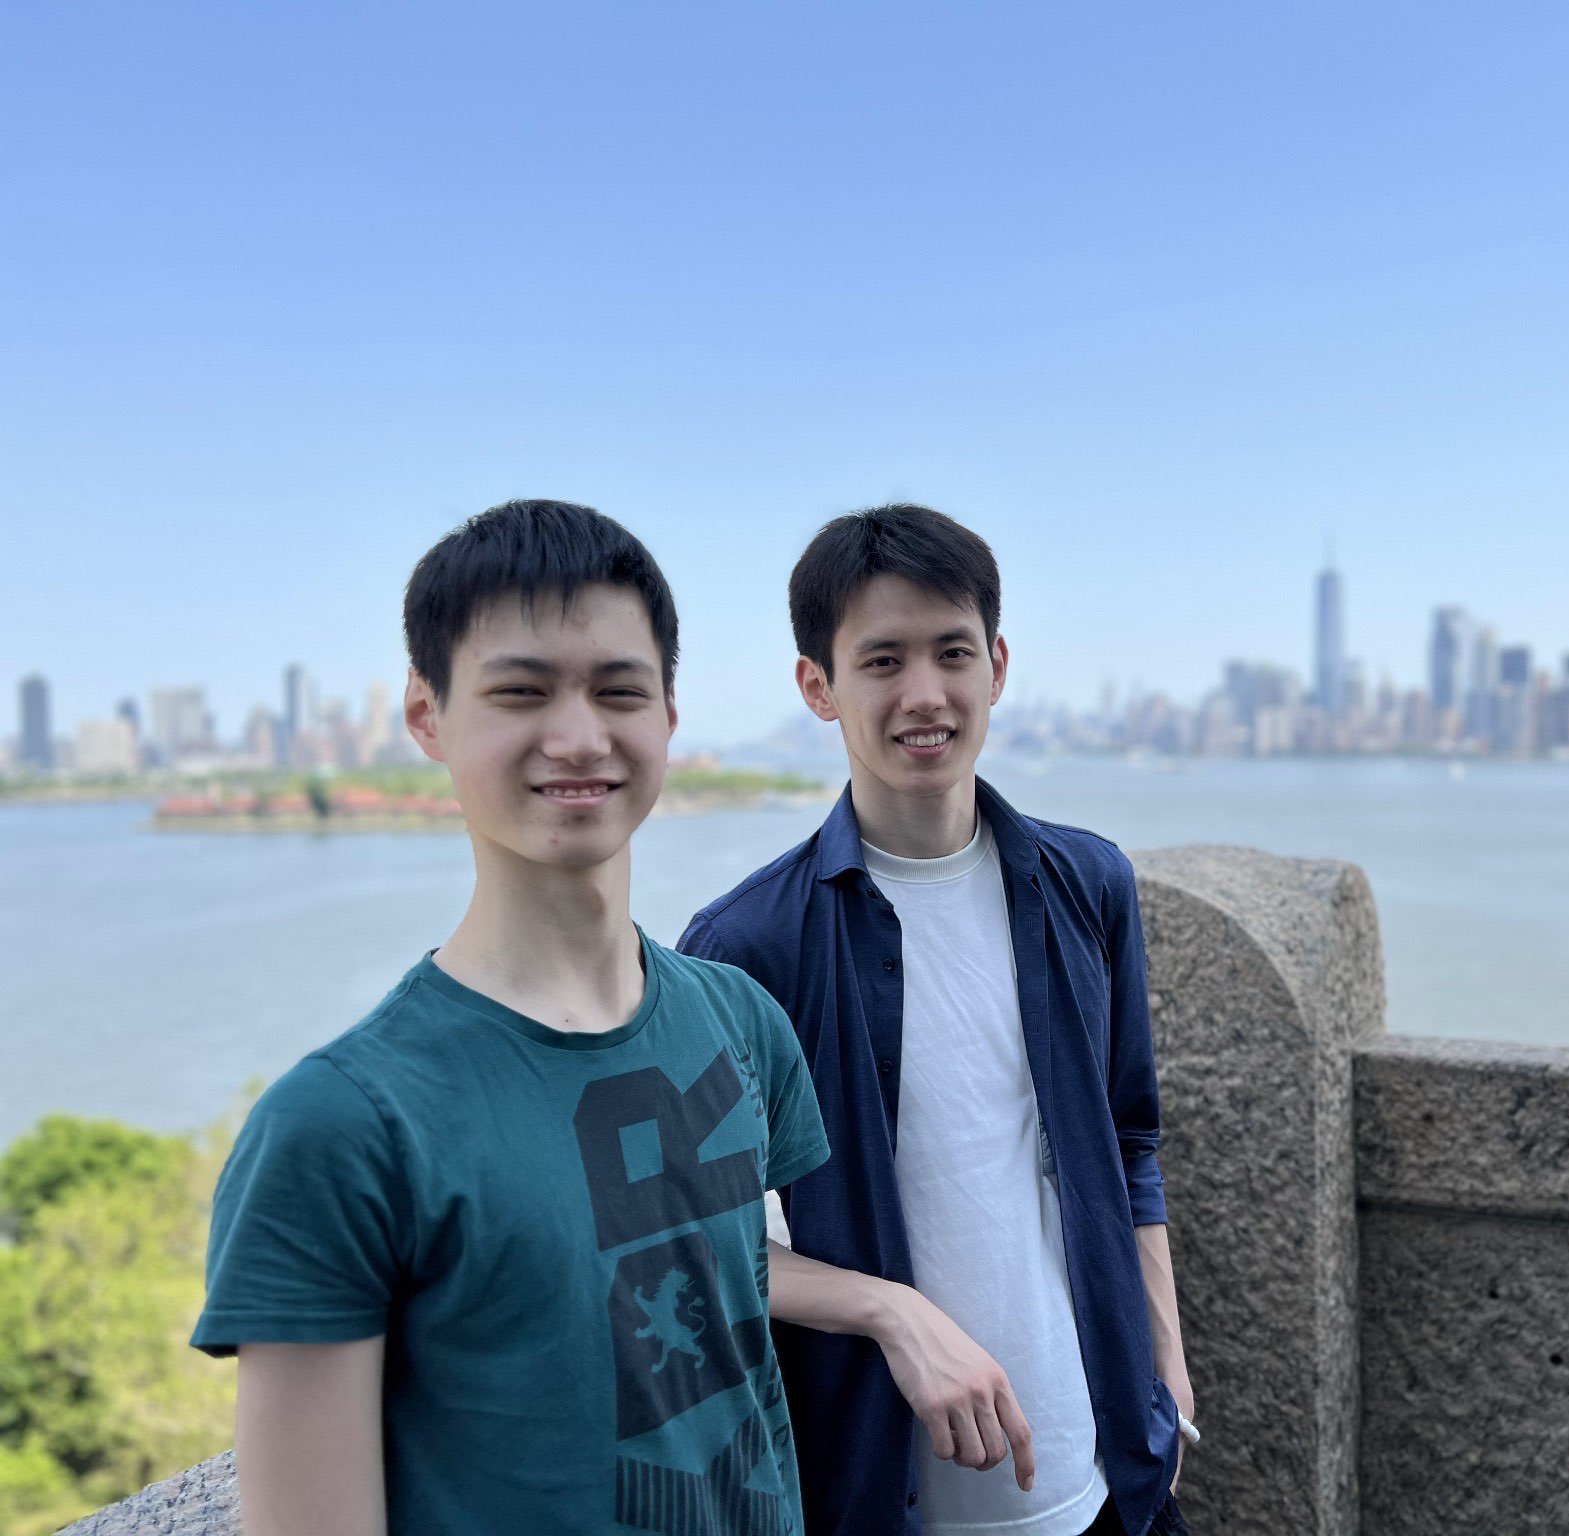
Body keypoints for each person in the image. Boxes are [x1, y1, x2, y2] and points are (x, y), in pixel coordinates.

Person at [192, 499, 829, 1536]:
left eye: (619, 690)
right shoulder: (340, 1128)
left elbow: (742, 1322)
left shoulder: (741, 1023)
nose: (578, 737)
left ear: (669, 715)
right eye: (521, 691)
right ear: (426, 714)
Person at [679, 504, 1195, 1536]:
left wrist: (1166, 1374)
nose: (925, 693)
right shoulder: (746, 946)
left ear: (996, 667)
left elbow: (1128, 1140)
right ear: (818, 687)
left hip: (1109, 1474)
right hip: (887, 1490)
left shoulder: (1087, 884)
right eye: (882, 661)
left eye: (952, 653)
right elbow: (695, 1238)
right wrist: (890, 1311)